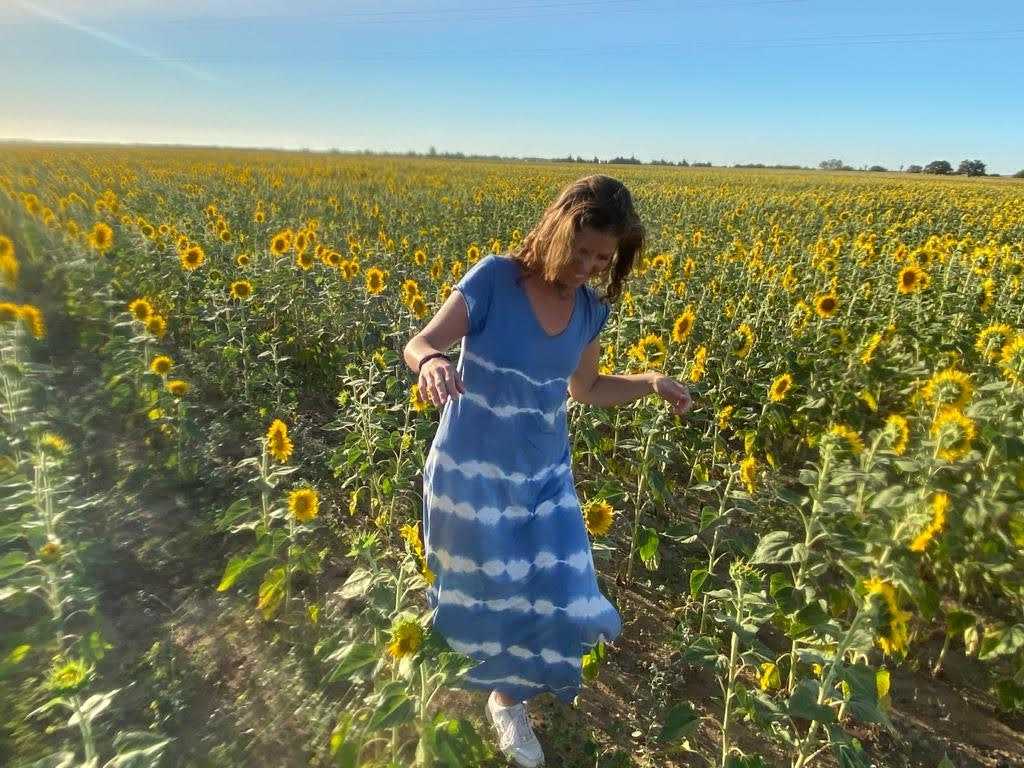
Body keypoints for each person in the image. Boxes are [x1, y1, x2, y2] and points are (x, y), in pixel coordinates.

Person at [402, 174, 693, 767]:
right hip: (471, 477)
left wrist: (647, 382)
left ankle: (509, 704)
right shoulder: (494, 280)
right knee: (483, 595)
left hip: (543, 480)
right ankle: (442, 689)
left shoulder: (590, 310)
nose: (587, 265)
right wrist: (431, 361)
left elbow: (583, 388)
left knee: (555, 595)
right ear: (557, 229)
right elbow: (421, 340)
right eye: (581, 249)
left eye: (602, 257)